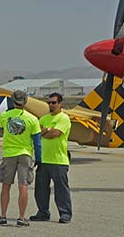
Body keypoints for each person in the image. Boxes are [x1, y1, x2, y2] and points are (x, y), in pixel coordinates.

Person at [0, 90, 41, 226]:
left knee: (6, 186)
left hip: (9, 154)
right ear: (25, 101)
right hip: (25, 154)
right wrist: (39, 158)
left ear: (12, 101)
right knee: (23, 185)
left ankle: (3, 216)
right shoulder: (32, 119)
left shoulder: (5, 116)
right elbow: (37, 142)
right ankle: (21, 218)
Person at [30, 92, 72, 223]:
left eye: (54, 103)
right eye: (49, 102)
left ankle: (65, 213)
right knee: (40, 190)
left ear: (60, 104)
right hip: (43, 159)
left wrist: (46, 132)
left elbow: (55, 133)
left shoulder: (64, 118)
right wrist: (46, 130)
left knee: (61, 190)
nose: (51, 105)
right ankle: (43, 212)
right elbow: (36, 134)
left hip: (58, 160)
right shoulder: (43, 119)